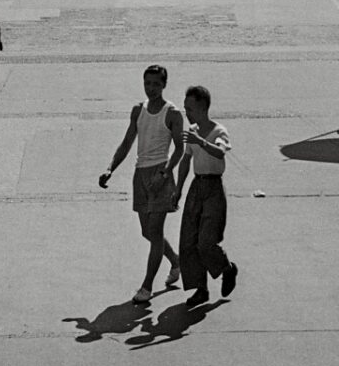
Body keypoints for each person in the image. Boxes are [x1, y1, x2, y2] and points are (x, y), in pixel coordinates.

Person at [99, 65, 185, 305]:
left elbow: (180, 148)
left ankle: (146, 287)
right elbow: (127, 142)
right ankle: (176, 262)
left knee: (155, 233)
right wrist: (110, 168)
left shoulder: (173, 113)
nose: (151, 88)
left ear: (164, 85)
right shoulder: (138, 110)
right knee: (147, 231)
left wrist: (166, 173)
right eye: (148, 83)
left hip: (161, 174)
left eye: (156, 84)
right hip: (140, 175)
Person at [172, 84, 238, 308]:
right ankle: (201, 289)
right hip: (196, 186)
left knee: (206, 241)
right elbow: (186, 161)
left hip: (213, 189)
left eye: (189, 109)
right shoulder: (192, 130)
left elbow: (220, 151)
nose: (187, 113)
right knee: (189, 240)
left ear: (202, 108)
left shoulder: (219, 131)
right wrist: (178, 189)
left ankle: (227, 268)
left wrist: (200, 141)